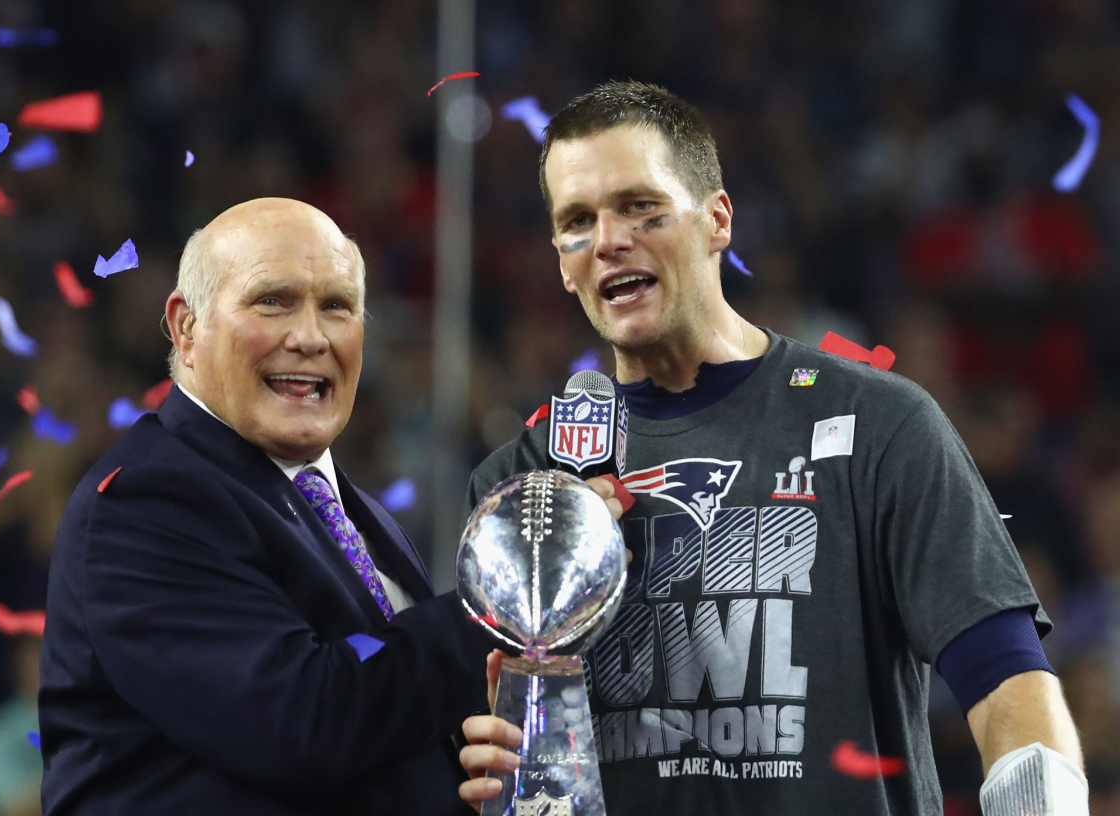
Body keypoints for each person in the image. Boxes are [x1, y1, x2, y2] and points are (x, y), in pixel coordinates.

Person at [459, 82, 1086, 815]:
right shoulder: (524, 487)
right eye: (577, 221)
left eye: (639, 207)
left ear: (717, 220)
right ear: (563, 264)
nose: (607, 240)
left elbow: (1009, 684)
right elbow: (509, 759)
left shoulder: (877, 424)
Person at [39, 198, 494, 815]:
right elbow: (303, 723)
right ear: (186, 328)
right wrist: (495, 607)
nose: (310, 337)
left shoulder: (352, 510)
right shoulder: (147, 501)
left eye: (337, 306)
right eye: (272, 301)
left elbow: (385, 723)